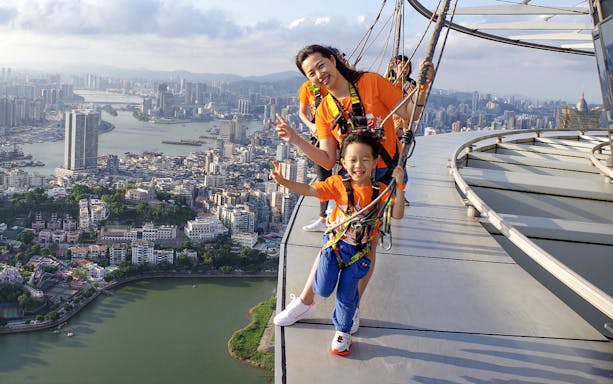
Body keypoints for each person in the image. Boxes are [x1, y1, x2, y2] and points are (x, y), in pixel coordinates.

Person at [271, 44, 434, 334]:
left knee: (367, 242)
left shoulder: (371, 83)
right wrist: (296, 140)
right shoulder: (324, 109)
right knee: (333, 236)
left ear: (333, 61)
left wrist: (423, 87)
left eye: (321, 65)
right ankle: (307, 300)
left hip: (382, 174)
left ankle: (352, 305)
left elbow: (409, 114)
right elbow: (328, 158)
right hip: (350, 180)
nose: (319, 74)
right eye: (311, 73)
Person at [270, 131, 406, 355]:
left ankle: (343, 332)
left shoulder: (380, 191)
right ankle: (312, 305)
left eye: (365, 159)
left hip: (359, 254)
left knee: (346, 295)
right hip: (334, 248)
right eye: (352, 160)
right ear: (343, 162)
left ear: (374, 163)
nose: (358, 165)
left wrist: (399, 188)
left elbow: (398, 214)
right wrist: (283, 182)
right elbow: (311, 190)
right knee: (322, 288)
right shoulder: (338, 184)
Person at [297, 80, 331, 232]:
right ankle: (324, 218)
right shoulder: (308, 87)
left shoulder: (340, 83)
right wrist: (311, 126)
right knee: (323, 177)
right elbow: (302, 112)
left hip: (340, 134)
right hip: (319, 136)